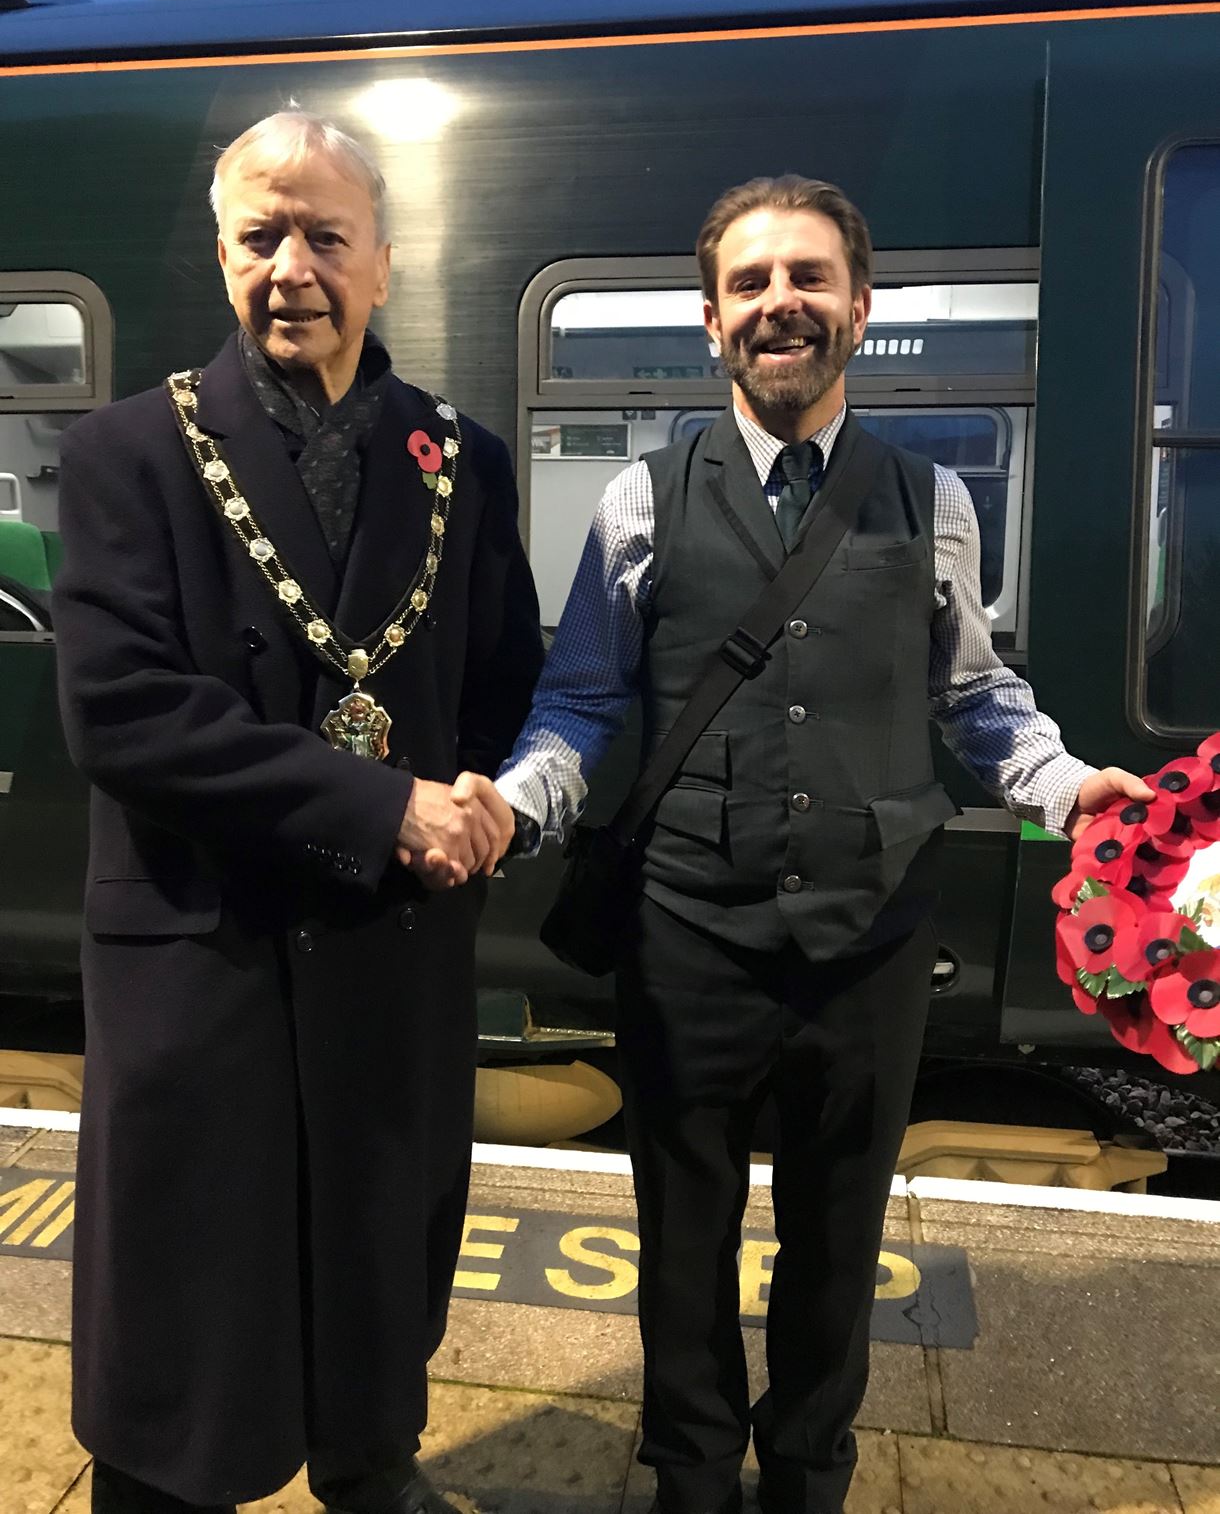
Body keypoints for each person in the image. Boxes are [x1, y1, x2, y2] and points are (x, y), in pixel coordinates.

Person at [495, 174, 1152, 1514]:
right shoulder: (636, 501)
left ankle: (807, 1478)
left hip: (872, 940)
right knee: (683, 1241)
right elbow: (577, 705)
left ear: (859, 306)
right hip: (686, 938)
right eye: (749, 284)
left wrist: (1073, 790)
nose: (777, 303)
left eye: (806, 277)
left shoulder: (934, 501)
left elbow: (980, 704)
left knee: (838, 1241)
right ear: (709, 319)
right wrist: (512, 806)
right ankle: (692, 1476)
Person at [54, 111, 539, 1514]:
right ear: (222, 258)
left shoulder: (463, 459)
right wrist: (390, 805)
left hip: (390, 969)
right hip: (201, 969)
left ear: (384, 260)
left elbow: (501, 679)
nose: (294, 267)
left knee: (375, 1312)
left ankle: (370, 1462)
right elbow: (127, 717)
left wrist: (486, 799)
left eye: (327, 234)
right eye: (262, 234)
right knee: (184, 1350)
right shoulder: (128, 454)